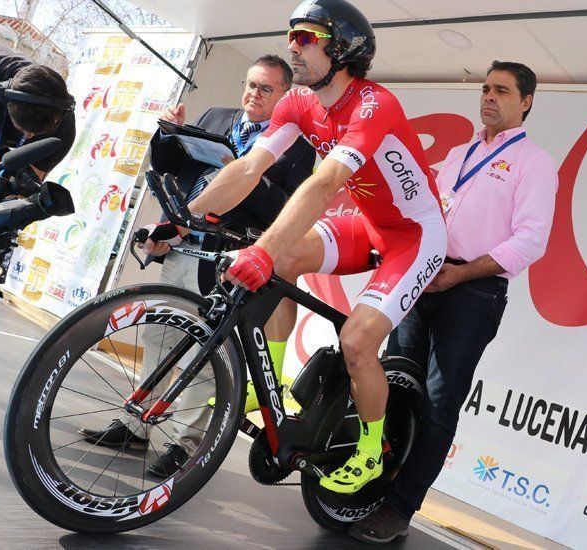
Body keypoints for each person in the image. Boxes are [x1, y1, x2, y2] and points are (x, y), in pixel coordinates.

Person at [178, 0, 446, 494]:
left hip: (415, 235)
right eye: (291, 35)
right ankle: (272, 388)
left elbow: (324, 184)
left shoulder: (374, 103)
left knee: (358, 341)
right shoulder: (298, 102)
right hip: (368, 223)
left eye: (306, 37)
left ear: (341, 48)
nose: (292, 46)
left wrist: (260, 248)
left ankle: (370, 450)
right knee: (279, 260)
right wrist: (181, 222)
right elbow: (245, 169)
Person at [348, 60, 559, 544]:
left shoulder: (534, 162)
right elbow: (425, 214)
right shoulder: (459, 153)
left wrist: (461, 273)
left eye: (502, 91)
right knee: (396, 383)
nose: (489, 97)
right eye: (485, 88)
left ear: (526, 102)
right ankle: (369, 478)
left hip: (474, 290)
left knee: (438, 406)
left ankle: (399, 508)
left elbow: (530, 241)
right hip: (423, 277)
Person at [80, 55, 316, 478]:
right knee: (159, 333)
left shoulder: (297, 147)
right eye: (250, 84)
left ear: (285, 95)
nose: (253, 94)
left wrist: (244, 175)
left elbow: (285, 211)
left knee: (207, 351)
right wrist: (166, 134)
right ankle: (138, 421)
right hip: (186, 246)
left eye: (265, 88)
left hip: (228, 259)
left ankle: (180, 443)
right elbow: (171, 166)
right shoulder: (217, 116)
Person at [0, 43, 75, 180]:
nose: (29, 136)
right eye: (24, 128)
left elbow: (32, 181)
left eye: (37, 132)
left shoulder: (62, 126)